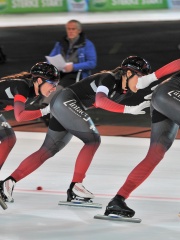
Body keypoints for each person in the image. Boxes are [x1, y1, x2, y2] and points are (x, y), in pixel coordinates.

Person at [0, 56, 179, 209]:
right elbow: (100, 101)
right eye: (139, 78)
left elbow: (155, 77)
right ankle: (76, 186)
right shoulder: (110, 78)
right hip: (66, 102)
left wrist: (154, 83)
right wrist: (127, 110)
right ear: (128, 73)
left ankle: (9, 181)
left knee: (48, 149)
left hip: (65, 105)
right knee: (92, 139)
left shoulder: (125, 85)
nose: (140, 84)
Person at [104, 64, 180, 218]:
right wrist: (154, 80)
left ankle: (118, 199)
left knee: (156, 154)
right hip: (169, 94)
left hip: (164, 95)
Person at [0, 61, 59, 183]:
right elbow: (20, 116)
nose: (54, 88)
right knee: (8, 138)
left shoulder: (36, 93)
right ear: (38, 81)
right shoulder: (23, 87)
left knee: (9, 139)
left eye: (56, 84)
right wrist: (45, 111)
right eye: (52, 84)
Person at [41, 19, 97, 108]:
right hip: (60, 71)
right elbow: (50, 59)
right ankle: (47, 106)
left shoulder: (87, 45)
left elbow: (92, 63)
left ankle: (46, 105)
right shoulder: (60, 44)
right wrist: (54, 65)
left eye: (73, 29)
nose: (70, 31)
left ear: (79, 30)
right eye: (68, 29)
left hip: (77, 73)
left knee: (60, 85)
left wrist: (73, 67)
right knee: (46, 81)